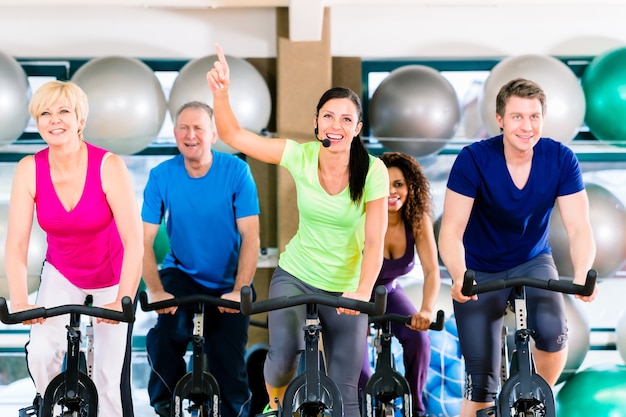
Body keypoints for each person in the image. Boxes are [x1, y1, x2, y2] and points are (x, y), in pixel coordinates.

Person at [207, 44, 389, 416]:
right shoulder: (300, 155)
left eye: (345, 119)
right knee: (283, 356)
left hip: (347, 286)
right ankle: (276, 405)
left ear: (357, 128)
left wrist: (361, 291)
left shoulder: (373, 171)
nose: (335, 125)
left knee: (345, 391)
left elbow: (375, 241)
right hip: (297, 275)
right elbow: (235, 135)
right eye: (328, 116)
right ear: (316, 123)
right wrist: (221, 92)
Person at [437, 77, 597, 417]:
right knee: (481, 379)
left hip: (532, 260)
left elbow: (579, 227)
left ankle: (530, 403)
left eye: (534, 117)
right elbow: (451, 230)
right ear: (499, 119)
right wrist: (458, 274)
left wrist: (583, 271)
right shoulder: (474, 160)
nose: (527, 126)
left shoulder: (561, 159)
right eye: (517, 117)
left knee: (554, 334)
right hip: (479, 267)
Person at [4, 80, 143, 417]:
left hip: (111, 272)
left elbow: (134, 240)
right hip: (63, 271)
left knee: (108, 379)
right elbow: (17, 242)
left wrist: (123, 299)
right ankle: (50, 405)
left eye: (64, 111)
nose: (55, 120)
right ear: (37, 122)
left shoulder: (108, 166)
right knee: (40, 352)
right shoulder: (29, 169)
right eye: (45, 113)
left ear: (80, 120)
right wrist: (21, 300)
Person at [141, 100, 260, 417]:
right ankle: (165, 405)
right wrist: (155, 289)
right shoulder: (161, 176)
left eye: (198, 128)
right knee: (167, 334)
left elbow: (251, 235)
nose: (190, 135)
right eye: (183, 127)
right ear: (175, 132)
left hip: (228, 282)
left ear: (213, 134)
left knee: (229, 368)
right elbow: (143, 240)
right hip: (181, 275)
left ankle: (233, 410)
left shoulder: (236, 171)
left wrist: (240, 289)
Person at [358, 152, 440, 417]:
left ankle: (415, 408)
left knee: (419, 339)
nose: (392, 191)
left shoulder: (417, 220)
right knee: (357, 363)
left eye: (399, 184)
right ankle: (363, 409)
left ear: (410, 188)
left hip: (389, 291)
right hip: (354, 293)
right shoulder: (361, 216)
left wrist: (426, 310)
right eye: (385, 184)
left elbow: (431, 270)